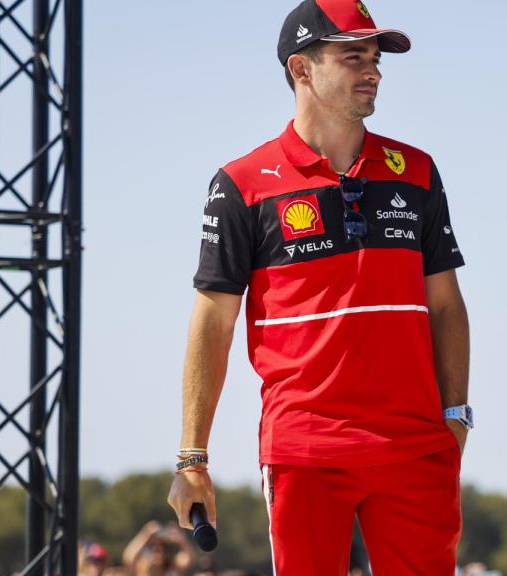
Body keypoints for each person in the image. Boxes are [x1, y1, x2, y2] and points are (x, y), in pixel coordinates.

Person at [166, 1, 471, 573]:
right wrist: (192, 457)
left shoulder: (418, 170)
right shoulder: (241, 184)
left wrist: (455, 414)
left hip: (415, 447)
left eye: (376, 58)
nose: (372, 70)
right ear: (300, 69)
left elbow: (446, 303)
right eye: (353, 56)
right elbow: (213, 322)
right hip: (304, 450)